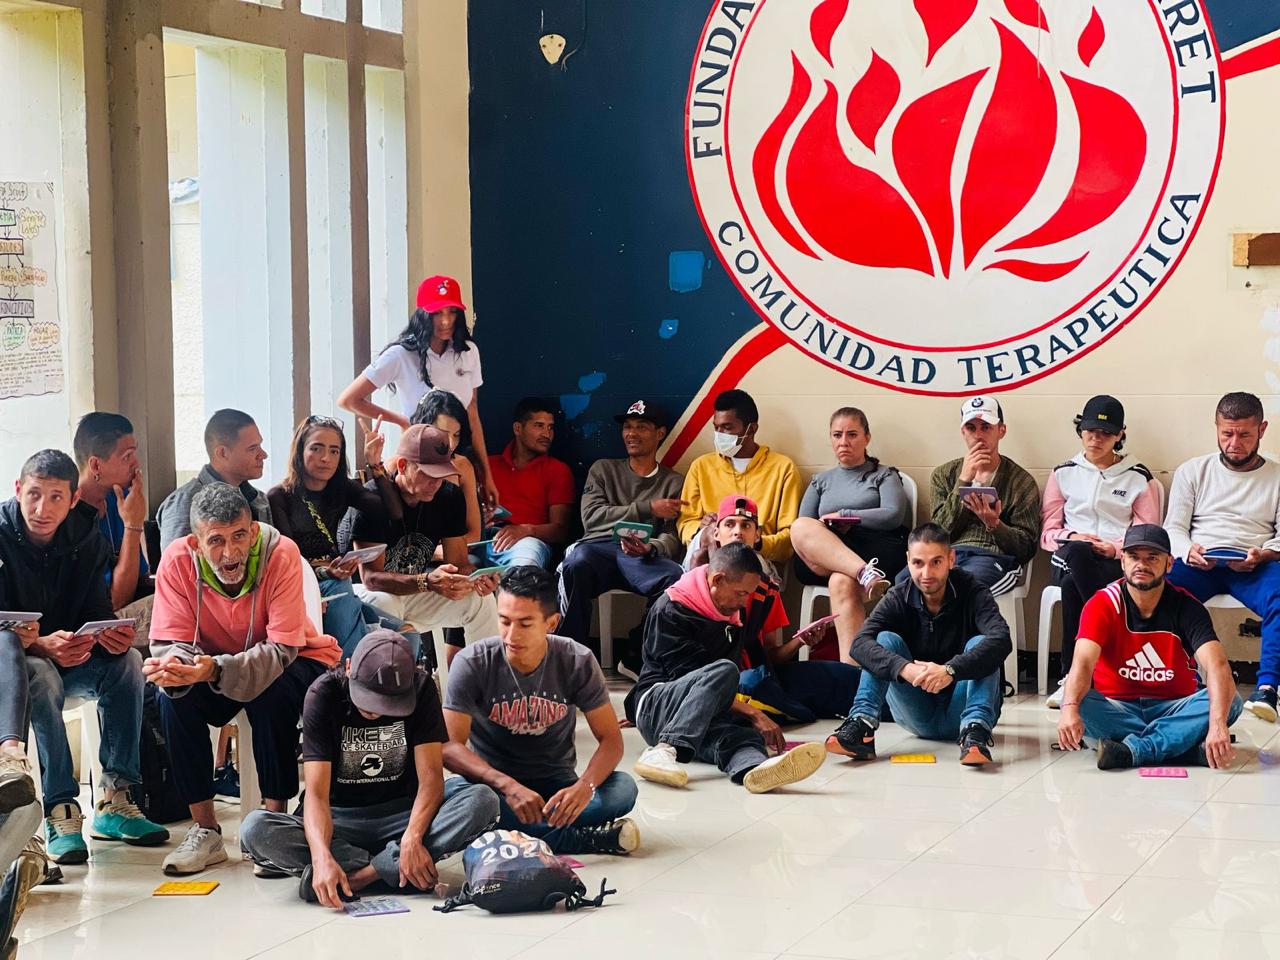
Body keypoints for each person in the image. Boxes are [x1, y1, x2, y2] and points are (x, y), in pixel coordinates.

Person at [145, 482, 342, 875]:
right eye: (216, 540)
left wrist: (216, 669)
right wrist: (175, 667)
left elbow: (282, 649)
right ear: (197, 543)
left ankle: (273, 823)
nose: (230, 552)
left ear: (253, 532)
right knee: (172, 696)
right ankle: (205, 830)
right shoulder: (177, 561)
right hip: (211, 665)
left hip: (296, 657)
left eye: (239, 536)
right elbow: (171, 642)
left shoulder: (281, 553)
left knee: (271, 691)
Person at [238, 630, 500, 906]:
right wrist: (321, 856)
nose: (376, 711)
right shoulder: (322, 694)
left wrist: (412, 837)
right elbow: (316, 794)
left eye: (388, 703)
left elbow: (431, 779)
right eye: (368, 699)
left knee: (482, 800)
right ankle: (394, 869)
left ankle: (360, 877)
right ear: (348, 667)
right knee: (255, 829)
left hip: (404, 816)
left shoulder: (421, 688)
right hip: (338, 822)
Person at [0, 450, 167, 864]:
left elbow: (96, 609)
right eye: (34, 494)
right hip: (18, 668)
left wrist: (107, 638)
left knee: (127, 664)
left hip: (71, 657)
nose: (42, 508)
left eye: (56, 497)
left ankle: (115, 798)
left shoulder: (86, 538)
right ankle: (60, 808)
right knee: (41, 674)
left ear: (74, 499)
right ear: (18, 490)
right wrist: (41, 644)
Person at [443, 567, 639, 855]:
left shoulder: (576, 660)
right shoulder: (472, 662)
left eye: (525, 624)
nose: (511, 635)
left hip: (556, 783)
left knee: (623, 788)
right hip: (494, 787)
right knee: (460, 798)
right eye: (504, 621)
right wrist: (507, 786)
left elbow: (611, 740)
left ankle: (515, 832)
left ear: (552, 623)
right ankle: (576, 838)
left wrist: (584, 787)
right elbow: (449, 747)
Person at [624, 542, 827, 792]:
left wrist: (799, 641)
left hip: (701, 715)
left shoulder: (731, 614)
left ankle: (754, 770)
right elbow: (694, 682)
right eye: (741, 593)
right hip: (658, 707)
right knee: (725, 670)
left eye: (748, 594)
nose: (744, 602)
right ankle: (665, 749)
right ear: (717, 579)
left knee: (742, 737)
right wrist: (753, 713)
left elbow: (711, 694)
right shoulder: (672, 608)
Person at [1057, 524, 1242, 769]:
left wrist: (1217, 724)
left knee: (1231, 699)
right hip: (1117, 706)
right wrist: (1069, 709)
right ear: (1122, 561)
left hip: (1174, 705)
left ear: (1169, 564)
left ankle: (1135, 750)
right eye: (1134, 556)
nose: (1141, 565)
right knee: (1073, 700)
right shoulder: (1101, 603)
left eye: (1152, 557)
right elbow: (1082, 664)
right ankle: (1180, 746)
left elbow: (1218, 666)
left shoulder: (1187, 606)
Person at [827, 523, 1010, 766]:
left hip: (963, 708)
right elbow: (859, 643)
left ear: (951, 559)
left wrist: (950, 670)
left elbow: (1001, 639)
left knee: (982, 643)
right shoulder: (898, 595)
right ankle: (862, 726)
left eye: (936, 562)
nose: (926, 573)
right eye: (918, 563)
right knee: (884, 640)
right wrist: (904, 668)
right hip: (917, 711)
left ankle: (975, 734)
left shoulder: (974, 591)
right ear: (908, 561)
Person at [348, 424, 499, 681]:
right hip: (364, 598)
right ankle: (389, 688)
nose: (436, 483)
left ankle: (485, 691)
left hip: (415, 592)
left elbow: (458, 563)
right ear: (403, 465)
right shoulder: (373, 499)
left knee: (480, 600)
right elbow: (371, 578)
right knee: (385, 601)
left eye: (442, 474)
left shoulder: (449, 496)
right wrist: (427, 582)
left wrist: (477, 579)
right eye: (429, 474)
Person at [1165, 392, 1280, 723]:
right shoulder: (1193, 471)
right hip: (1200, 561)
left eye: (1244, 434)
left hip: (1254, 564)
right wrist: (1188, 550)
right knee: (1159, 594)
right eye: (1227, 433)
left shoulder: (1276, 476)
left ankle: (1267, 689)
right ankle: (1179, 682)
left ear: (1262, 429)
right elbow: (1173, 528)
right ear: (1216, 428)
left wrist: (1263, 554)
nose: (1234, 443)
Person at [1041, 396, 1161, 707]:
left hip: (1114, 561)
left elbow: (1147, 535)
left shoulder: (1138, 477)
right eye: (1090, 431)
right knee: (1078, 553)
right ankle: (1115, 643)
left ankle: (1072, 677)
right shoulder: (1063, 472)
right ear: (1080, 430)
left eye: (1106, 433)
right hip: (1067, 555)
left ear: (1120, 434)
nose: (1096, 438)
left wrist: (1115, 549)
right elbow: (1048, 534)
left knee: (1073, 586)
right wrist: (1074, 536)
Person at [337, 275, 498, 505]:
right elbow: (349, 399)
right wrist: (402, 421)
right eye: (437, 313)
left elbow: (472, 412)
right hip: (420, 466)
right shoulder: (402, 354)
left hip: (460, 460)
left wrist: (487, 475)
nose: (445, 321)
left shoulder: (468, 351)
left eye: (452, 312)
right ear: (422, 315)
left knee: (465, 524)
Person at [267, 415, 409, 657]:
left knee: (407, 636)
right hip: (305, 588)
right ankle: (353, 669)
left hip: (338, 582)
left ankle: (362, 659)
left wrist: (375, 464)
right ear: (300, 451)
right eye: (316, 448)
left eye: (334, 451)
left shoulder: (341, 489)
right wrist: (325, 572)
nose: (326, 458)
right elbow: (289, 565)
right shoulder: (279, 497)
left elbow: (393, 512)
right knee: (350, 602)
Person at [710, 495, 862, 722]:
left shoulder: (767, 589)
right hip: (723, 684)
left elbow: (773, 656)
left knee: (845, 677)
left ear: (757, 535)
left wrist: (800, 641)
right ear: (716, 533)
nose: (738, 532)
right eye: (729, 524)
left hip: (764, 676)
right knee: (752, 684)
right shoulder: (701, 582)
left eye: (746, 526)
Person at [558, 399, 685, 652]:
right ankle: (571, 655)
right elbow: (591, 517)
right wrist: (649, 508)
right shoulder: (603, 469)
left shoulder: (673, 481)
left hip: (641, 555)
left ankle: (636, 651)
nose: (631, 434)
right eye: (627, 426)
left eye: (641, 427)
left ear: (660, 434)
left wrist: (651, 548)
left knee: (675, 578)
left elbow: (672, 535)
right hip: (597, 548)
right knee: (574, 564)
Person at [790, 407, 910, 664]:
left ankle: (851, 670)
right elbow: (803, 528)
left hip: (874, 549)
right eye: (837, 435)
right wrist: (829, 526)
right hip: (828, 553)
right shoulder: (820, 481)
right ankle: (863, 573)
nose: (844, 442)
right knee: (799, 527)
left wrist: (847, 516)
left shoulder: (884, 475)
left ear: (867, 438)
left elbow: (893, 515)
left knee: (840, 581)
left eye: (852, 434)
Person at [922, 395, 1040, 596]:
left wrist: (995, 525)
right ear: (963, 432)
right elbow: (938, 535)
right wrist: (963, 480)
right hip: (947, 556)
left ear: (1001, 430)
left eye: (986, 427)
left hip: (993, 558)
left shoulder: (1021, 481)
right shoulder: (943, 475)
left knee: (959, 587)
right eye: (971, 428)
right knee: (904, 583)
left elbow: (1026, 549)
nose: (978, 435)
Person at [676, 389, 803, 564]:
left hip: (758, 560)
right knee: (709, 538)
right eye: (716, 428)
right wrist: (702, 528)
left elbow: (789, 537)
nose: (719, 434)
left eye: (727, 427)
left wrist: (753, 540)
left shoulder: (782, 468)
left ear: (752, 429)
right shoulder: (701, 466)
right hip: (707, 555)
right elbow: (685, 523)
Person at [156, 408, 271, 550]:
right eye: (252, 448)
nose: (263, 455)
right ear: (223, 453)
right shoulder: (185, 503)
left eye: (260, 445)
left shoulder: (259, 499)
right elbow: (176, 561)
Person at [72, 412, 151, 617]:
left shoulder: (119, 497)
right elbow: (115, 601)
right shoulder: (68, 515)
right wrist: (133, 526)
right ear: (96, 465)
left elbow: (141, 579)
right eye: (127, 457)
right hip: (95, 621)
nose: (136, 464)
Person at [484, 397, 574, 569]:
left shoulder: (558, 470)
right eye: (539, 426)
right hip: (483, 538)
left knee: (524, 567)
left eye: (551, 427)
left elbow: (560, 530)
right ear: (518, 428)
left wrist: (526, 530)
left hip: (527, 541)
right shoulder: (489, 465)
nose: (547, 434)